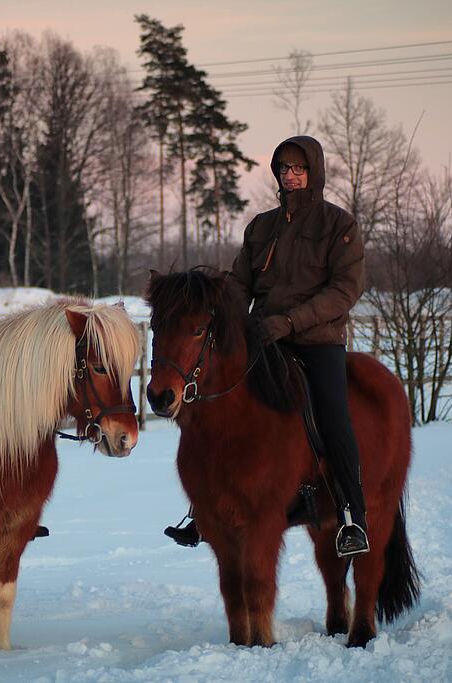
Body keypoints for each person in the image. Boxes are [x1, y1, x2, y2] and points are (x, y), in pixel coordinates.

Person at [166, 135, 370, 558]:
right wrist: (211, 301)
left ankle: (352, 515)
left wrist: (292, 320)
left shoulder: (339, 225)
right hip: (262, 339)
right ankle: (202, 509)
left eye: (298, 169)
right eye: (283, 170)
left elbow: (345, 290)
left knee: (332, 416)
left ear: (313, 172)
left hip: (317, 342)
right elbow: (239, 284)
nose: (290, 177)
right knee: (214, 404)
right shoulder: (262, 227)